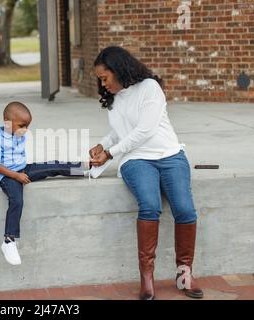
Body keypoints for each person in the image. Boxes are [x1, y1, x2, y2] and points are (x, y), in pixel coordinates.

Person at [89, 46, 204, 300]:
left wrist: (110, 153)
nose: (102, 83)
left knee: (184, 209)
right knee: (150, 206)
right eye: (100, 79)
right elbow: (122, 130)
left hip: (170, 155)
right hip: (137, 160)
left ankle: (184, 273)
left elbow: (145, 130)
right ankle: (147, 277)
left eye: (105, 77)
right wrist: (103, 144)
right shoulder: (114, 98)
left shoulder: (150, 88)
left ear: (118, 70)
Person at [0, 101, 87, 265]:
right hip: (6, 176)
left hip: (23, 169)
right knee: (17, 200)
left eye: (27, 126)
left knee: (51, 166)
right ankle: (8, 241)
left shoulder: (18, 133)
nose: (25, 130)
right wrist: (16, 176)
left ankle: (84, 168)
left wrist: (22, 173)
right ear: (7, 122)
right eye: (22, 125)